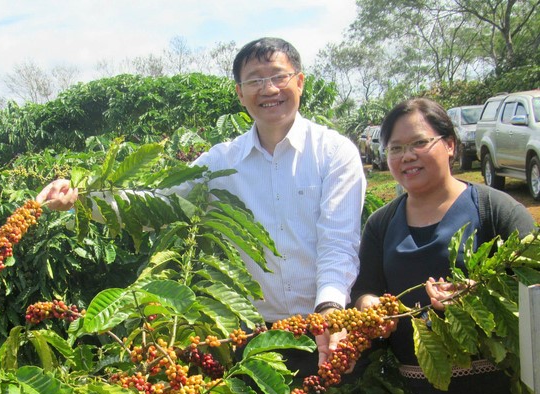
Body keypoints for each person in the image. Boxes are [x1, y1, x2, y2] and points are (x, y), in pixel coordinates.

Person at [37, 37, 367, 373]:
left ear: (299, 81)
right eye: (254, 81)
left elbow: (337, 242)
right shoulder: (220, 161)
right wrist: (82, 198)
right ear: (240, 93)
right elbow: (156, 206)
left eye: (278, 77)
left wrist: (330, 310)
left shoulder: (334, 153)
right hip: (249, 335)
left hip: (327, 326)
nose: (268, 90)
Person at [350, 97, 539, 394]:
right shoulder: (382, 223)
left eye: (418, 143)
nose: (406, 156)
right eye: (395, 148)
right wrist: (370, 308)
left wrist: (479, 294)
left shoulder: (495, 209)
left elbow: (532, 286)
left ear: (451, 144)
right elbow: (365, 287)